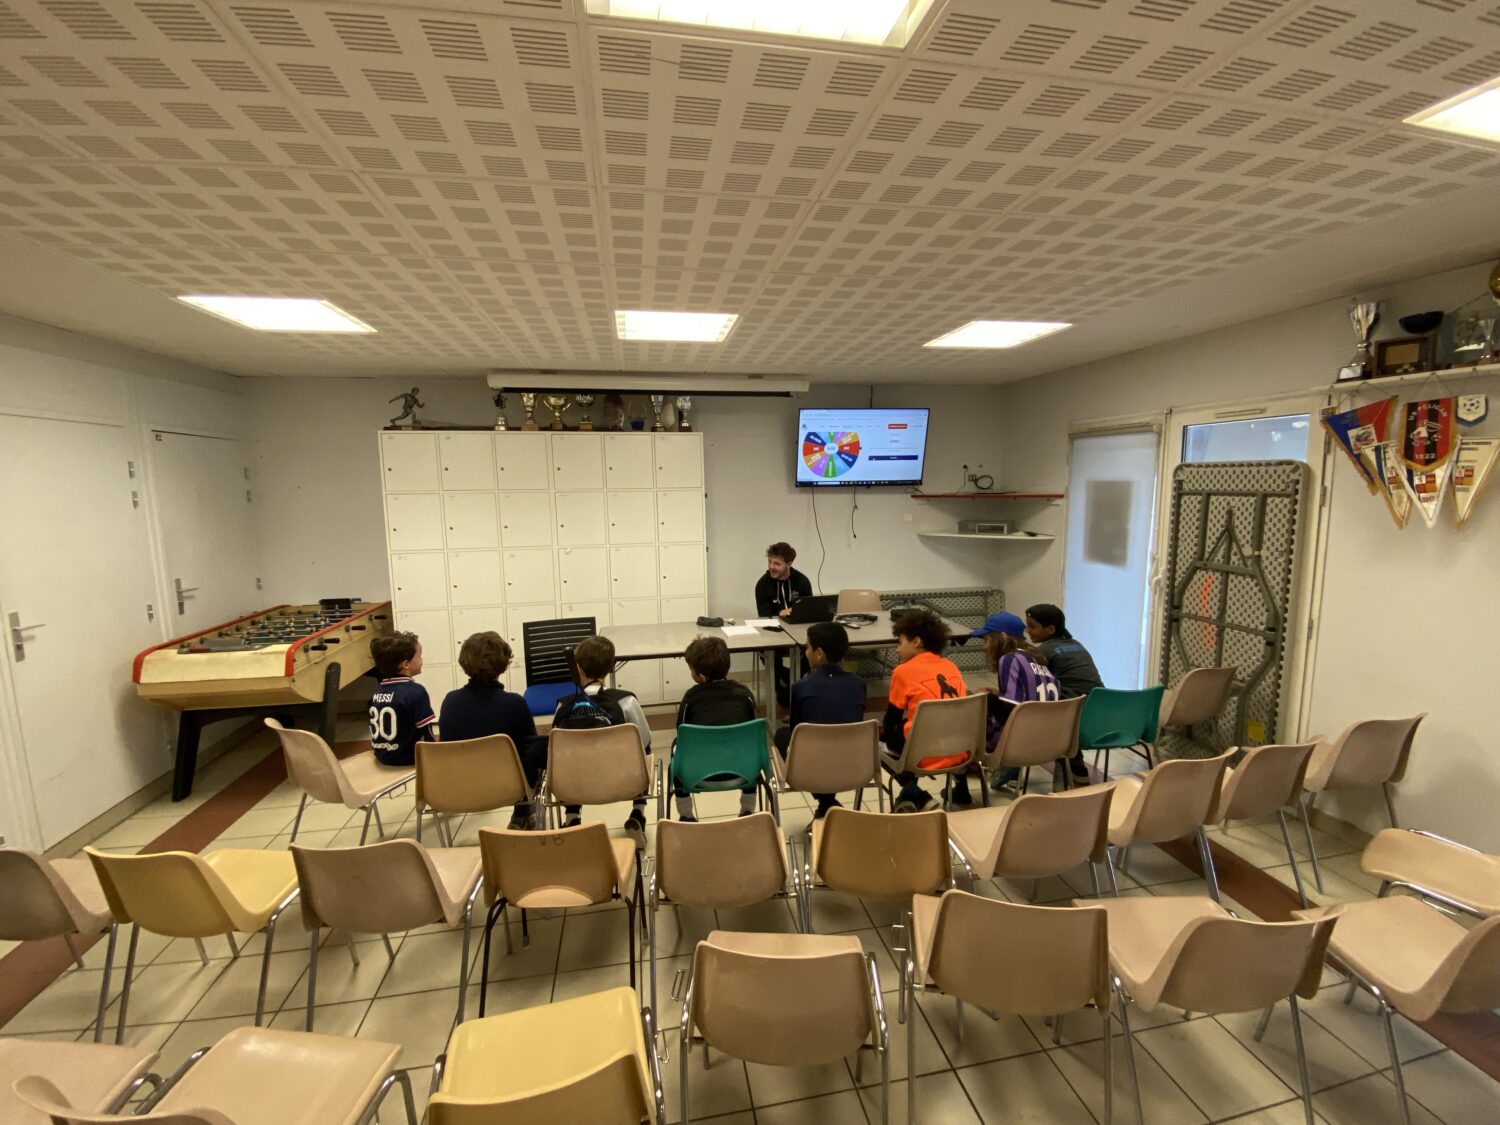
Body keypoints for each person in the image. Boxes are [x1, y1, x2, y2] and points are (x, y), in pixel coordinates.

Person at [438, 632, 548, 829]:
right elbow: (532, 747)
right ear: (503, 664)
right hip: (507, 788)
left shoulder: (450, 701)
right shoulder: (514, 703)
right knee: (537, 749)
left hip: (457, 788)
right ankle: (522, 815)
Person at [550, 635, 652, 844]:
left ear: (578, 669)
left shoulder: (563, 705)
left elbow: (556, 749)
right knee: (645, 753)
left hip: (576, 783)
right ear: (610, 668)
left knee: (568, 760)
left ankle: (572, 817)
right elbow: (644, 741)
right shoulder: (626, 701)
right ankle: (638, 813)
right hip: (622, 781)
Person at [773, 621, 866, 819]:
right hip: (853, 764)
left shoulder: (802, 687)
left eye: (807, 647)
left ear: (819, 653)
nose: (806, 652)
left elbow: (796, 731)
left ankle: (826, 803)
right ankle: (828, 803)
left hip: (811, 768)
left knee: (782, 734)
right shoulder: (859, 684)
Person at [966, 612, 1067, 792]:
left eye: (987, 640)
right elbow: (1029, 699)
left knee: (970, 713)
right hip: (1052, 741)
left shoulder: (1009, 659)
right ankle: (1009, 770)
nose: (985, 647)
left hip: (1021, 742)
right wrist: (998, 694)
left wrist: (985, 698)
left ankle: (964, 779)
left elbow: (1010, 710)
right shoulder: (1037, 658)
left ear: (1002, 637)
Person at [880, 610, 969, 813]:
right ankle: (962, 789)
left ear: (917, 641)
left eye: (900, 642)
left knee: (877, 741)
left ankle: (917, 795)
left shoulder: (902, 672)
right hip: (961, 751)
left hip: (924, 755)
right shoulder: (951, 667)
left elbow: (890, 722)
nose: (897, 649)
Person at [673, 635, 759, 821]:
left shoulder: (691, 697)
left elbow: (682, 733)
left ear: (701, 677)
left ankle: (686, 815)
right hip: (744, 771)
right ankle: (747, 809)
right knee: (751, 748)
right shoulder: (745, 694)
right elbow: (752, 732)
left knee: (676, 747)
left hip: (697, 775)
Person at [754, 541, 813, 707]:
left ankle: (790, 680)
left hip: (799, 631)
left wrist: (794, 612)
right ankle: (783, 685)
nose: (771, 567)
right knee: (766, 650)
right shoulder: (762, 584)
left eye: (777, 563)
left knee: (815, 646)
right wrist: (779, 615)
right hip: (772, 633)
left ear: (789, 563)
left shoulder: (802, 581)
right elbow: (764, 617)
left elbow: (809, 611)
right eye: (770, 562)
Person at [368, 631, 435, 768]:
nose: (422, 660)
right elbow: (426, 732)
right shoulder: (416, 692)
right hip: (408, 759)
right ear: (406, 664)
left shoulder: (375, 693)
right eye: (419, 656)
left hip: (382, 756)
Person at [1024, 604, 1104, 700]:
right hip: (1100, 700)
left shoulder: (1043, 651)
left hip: (1074, 704)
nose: (1027, 631)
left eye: (1032, 626)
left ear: (1051, 629)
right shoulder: (1076, 644)